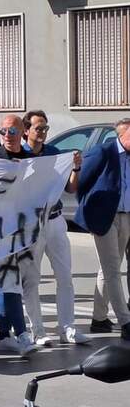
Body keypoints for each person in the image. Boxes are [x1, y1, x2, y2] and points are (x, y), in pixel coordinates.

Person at [20, 110, 90, 346]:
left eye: (45, 128)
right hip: (31, 222)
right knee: (32, 278)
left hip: (56, 219)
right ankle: (37, 330)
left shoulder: (53, 153)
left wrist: (75, 168)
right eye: (38, 128)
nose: (42, 133)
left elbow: (70, 189)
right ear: (26, 130)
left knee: (65, 276)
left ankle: (67, 327)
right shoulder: (19, 155)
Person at [0, 115, 39, 356]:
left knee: (8, 281)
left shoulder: (32, 161)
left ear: (23, 132)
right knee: (9, 280)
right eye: (3, 131)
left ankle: (3, 334)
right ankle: (22, 334)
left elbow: (41, 191)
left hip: (23, 229)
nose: (7, 135)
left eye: (12, 131)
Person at [74, 118, 130, 341]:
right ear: (122, 135)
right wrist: (90, 216)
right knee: (112, 271)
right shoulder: (103, 152)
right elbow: (82, 185)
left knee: (108, 269)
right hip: (106, 219)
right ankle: (125, 320)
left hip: (128, 216)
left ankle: (99, 319)